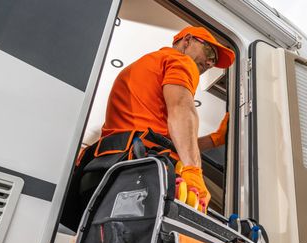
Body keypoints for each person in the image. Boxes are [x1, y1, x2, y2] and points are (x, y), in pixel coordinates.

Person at [60, 26, 235, 231]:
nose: (209, 63)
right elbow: (181, 107)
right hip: (137, 173)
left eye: (214, 61)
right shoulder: (180, 60)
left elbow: (158, 137)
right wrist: (193, 170)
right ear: (187, 41)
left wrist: (214, 139)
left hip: (105, 171)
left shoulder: (145, 66)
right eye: (209, 53)